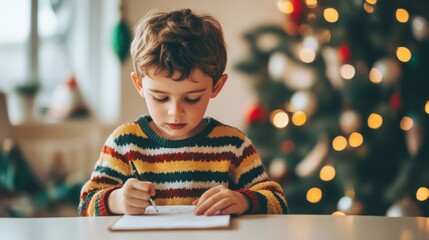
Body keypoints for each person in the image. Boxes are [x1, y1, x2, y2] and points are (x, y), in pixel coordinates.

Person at [78, 8, 288, 216]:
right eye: (160, 98)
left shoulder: (233, 145)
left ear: (216, 86)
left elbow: (277, 202)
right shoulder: (124, 143)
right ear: (139, 84)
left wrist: (243, 201)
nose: (175, 112)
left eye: (192, 98)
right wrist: (116, 200)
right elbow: (86, 203)